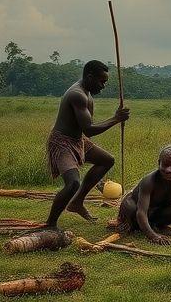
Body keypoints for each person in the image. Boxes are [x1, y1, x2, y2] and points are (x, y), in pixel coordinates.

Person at [45, 60, 129, 228]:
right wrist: (116, 119)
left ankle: (77, 202)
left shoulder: (87, 92)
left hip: (78, 141)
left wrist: (116, 118)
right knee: (73, 183)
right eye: (101, 81)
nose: (103, 86)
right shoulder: (77, 95)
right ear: (90, 77)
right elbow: (89, 129)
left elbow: (84, 130)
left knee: (107, 160)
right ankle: (50, 224)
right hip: (62, 143)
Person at [116, 144, 171, 244]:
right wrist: (153, 236)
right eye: (165, 165)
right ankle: (141, 227)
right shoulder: (149, 181)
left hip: (156, 211)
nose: (168, 170)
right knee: (131, 207)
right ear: (159, 163)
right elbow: (141, 212)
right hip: (137, 210)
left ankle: (156, 225)